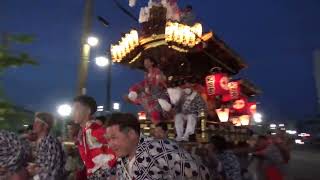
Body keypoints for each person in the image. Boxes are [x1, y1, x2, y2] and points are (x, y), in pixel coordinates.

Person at [105, 112, 211, 180]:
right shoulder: (122, 160)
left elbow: (199, 173)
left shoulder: (159, 149)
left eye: (113, 138)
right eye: (108, 139)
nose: (110, 145)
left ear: (131, 134)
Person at [72, 95, 117, 180]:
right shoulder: (83, 131)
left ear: (88, 111)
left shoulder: (94, 129)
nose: (73, 112)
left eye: (76, 109)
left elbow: (118, 146)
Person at [27, 112, 65, 180]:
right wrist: (35, 166)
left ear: (45, 126)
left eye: (37, 122)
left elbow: (52, 171)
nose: (34, 125)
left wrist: (35, 176)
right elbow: (44, 164)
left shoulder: (50, 142)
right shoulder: (43, 141)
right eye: (34, 122)